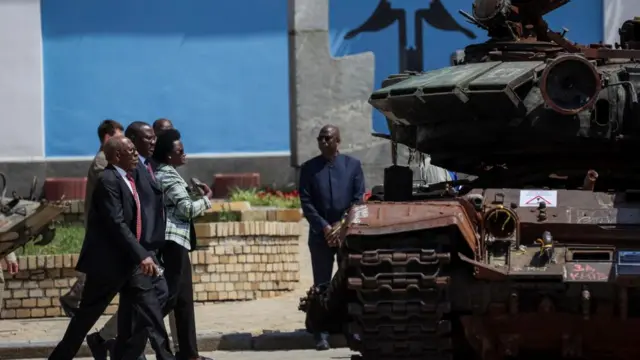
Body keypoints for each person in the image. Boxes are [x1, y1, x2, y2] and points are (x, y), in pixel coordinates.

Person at [48, 136, 174, 360]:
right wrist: (142, 255)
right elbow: (117, 223)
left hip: (132, 264)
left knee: (152, 314)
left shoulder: (132, 177)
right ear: (118, 156)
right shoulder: (108, 180)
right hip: (108, 266)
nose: (137, 155)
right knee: (84, 319)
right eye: (132, 151)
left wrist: (143, 253)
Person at [86, 121, 166, 360]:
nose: (153, 142)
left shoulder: (141, 166)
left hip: (140, 249)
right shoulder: (109, 170)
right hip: (123, 251)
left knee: (150, 300)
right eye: (147, 138)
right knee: (150, 300)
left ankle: (122, 347)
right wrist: (141, 253)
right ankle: (118, 345)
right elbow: (117, 219)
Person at [298, 124, 365, 351]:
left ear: (338, 140)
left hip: (347, 235)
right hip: (320, 236)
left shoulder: (352, 166)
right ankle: (321, 332)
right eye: (320, 139)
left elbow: (358, 199)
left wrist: (341, 226)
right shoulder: (309, 168)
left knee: (350, 281)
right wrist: (325, 228)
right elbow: (306, 203)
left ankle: (350, 329)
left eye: (328, 138)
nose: (324, 142)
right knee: (322, 285)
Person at [152, 128, 214, 360]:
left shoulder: (169, 172)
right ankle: (131, 334)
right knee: (170, 297)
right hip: (173, 242)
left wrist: (196, 196)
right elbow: (186, 210)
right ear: (169, 155)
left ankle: (189, 354)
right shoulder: (166, 175)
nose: (185, 155)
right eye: (181, 151)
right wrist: (207, 200)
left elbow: (181, 203)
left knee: (184, 300)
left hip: (180, 242)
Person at [59, 119, 123, 317]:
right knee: (100, 265)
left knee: (99, 265)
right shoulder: (102, 161)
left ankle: (75, 299)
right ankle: (75, 299)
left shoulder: (107, 158)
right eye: (119, 137)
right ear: (108, 137)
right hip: (101, 223)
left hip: (105, 223)